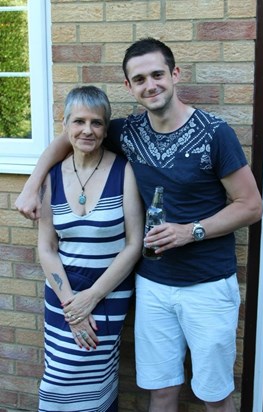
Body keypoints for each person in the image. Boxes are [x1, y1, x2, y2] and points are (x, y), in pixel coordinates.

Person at [16, 38, 263, 412]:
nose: (151, 85)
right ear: (129, 87)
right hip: (152, 287)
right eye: (140, 79)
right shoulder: (127, 131)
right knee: (160, 392)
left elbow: (251, 205)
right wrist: (33, 184)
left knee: (214, 395)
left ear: (175, 74)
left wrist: (190, 230)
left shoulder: (215, 132)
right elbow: (71, 139)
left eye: (158, 74)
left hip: (208, 286)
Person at [36, 85, 143, 412]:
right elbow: (46, 247)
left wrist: (92, 298)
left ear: (105, 128)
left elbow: (134, 243)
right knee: (58, 375)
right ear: (65, 125)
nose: (87, 130)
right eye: (79, 121)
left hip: (108, 293)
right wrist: (72, 305)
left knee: (96, 379)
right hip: (62, 294)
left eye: (96, 122)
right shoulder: (51, 177)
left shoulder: (123, 171)